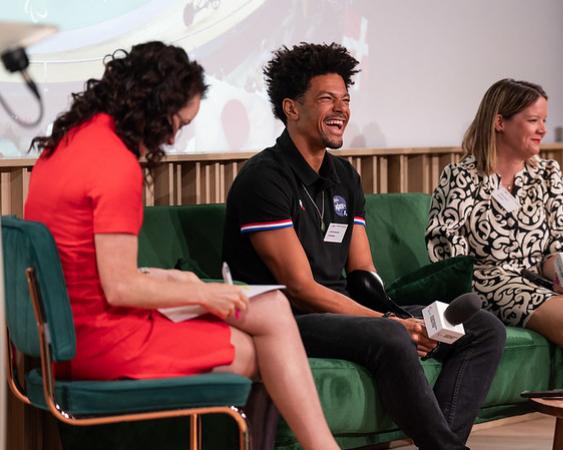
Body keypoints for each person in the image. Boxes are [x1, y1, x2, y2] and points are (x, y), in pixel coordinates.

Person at [24, 42, 339, 450]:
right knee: (256, 350)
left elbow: (85, 263)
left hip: (69, 333)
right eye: (175, 120)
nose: (173, 137)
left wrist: (180, 281)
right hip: (100, 341)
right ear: (150, 104)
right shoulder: (113, 165)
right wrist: (202, 291)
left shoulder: (68, 144)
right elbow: (120, 287)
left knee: (273, 308)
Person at [222, 42, 506, 450]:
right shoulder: (264, 179)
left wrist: (396, 314)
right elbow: (300, 289)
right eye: (326, 99)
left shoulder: (345, 177)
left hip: (343, 311)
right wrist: (388, 325)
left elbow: (362, 272)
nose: (340, 110)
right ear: (291, 108)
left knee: (481, 328)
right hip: (288, 318)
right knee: (391, 338)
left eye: (345, 99)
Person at [426, 78, 563, 450]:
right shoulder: (462, 176)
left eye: (545, 120)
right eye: (533, 120)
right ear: (500, 121)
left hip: (539, 282)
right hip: (488, 283)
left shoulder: (547, 174)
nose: (543, 129)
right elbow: (447, 253)